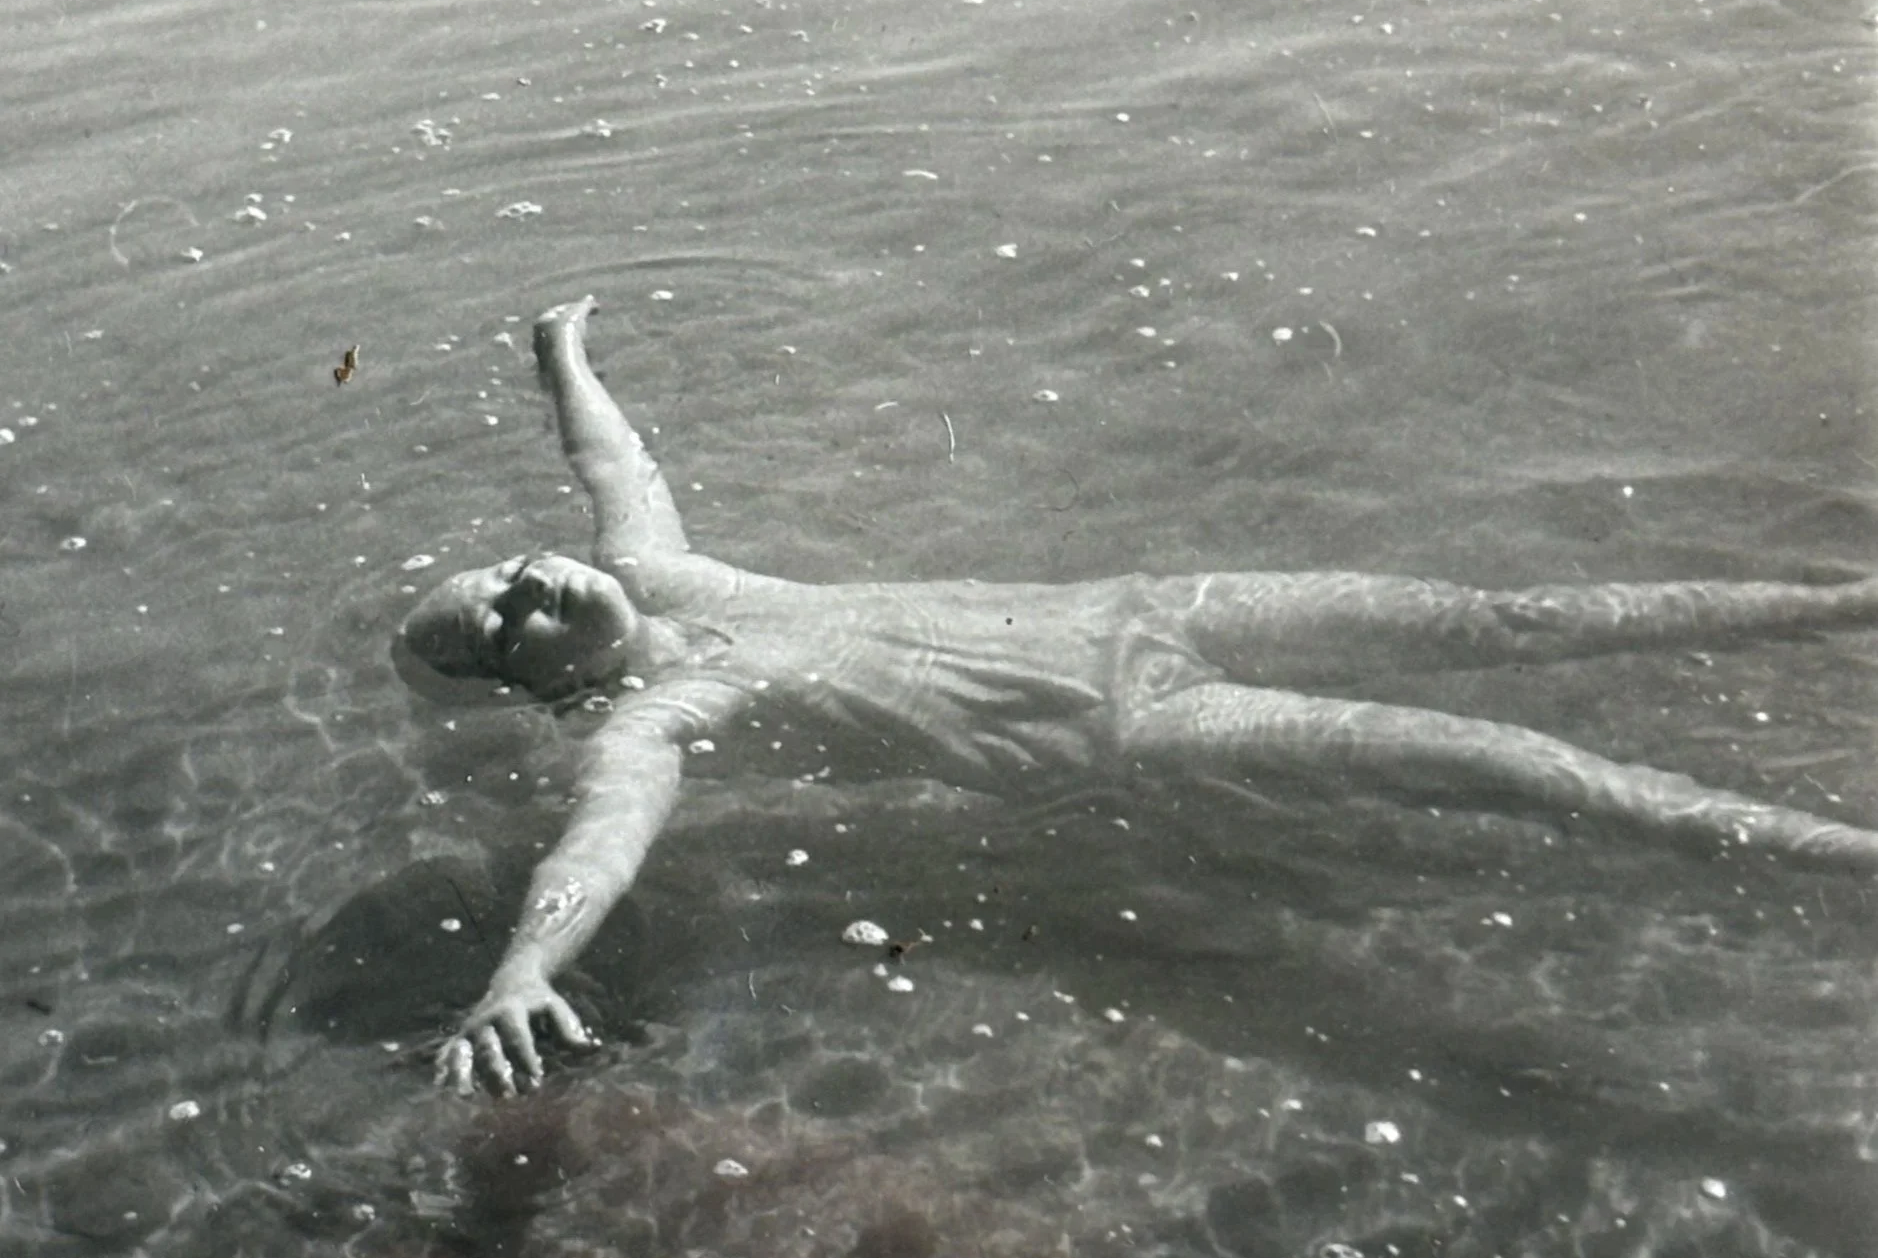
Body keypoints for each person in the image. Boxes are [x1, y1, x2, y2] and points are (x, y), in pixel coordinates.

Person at [401, 296, 1878, 1097]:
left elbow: (613, 464)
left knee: (1503, 620)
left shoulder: (663, 576)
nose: (532, 585)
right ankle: (1837, 856)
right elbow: (599, 847)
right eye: (507, 620)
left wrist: (560, 349)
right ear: (538, 686)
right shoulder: (656, 719)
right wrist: (522, 973)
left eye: (509, 568)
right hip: (1132, 725)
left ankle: (1839, 601)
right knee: (1498, 760)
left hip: (1150, 607)